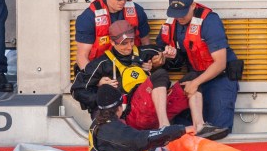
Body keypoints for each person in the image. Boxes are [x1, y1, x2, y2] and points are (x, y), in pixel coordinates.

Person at [71, 20, 201, 130]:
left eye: (131, 41)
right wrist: (103, 95)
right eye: (124, 43)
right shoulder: (102, 63)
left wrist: (172, 56)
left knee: (194, 79)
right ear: (112, 42)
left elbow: (178, 64)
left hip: (158, 108)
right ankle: (164, 128)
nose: (129, 47)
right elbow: (77, 90)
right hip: (131, 114)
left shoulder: (145, 52)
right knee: (160, 74)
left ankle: (199, 127)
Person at [155, 0, 242, 140]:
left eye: (183, 13)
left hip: (219, 78)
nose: (179, 17)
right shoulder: (172, 22)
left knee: (217, 130)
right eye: (176, 13)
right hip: (195, 76)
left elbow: (220, 63)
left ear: (193, 6)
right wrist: (166, 56)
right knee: (184, 126)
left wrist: (195, 83)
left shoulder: (209, 21)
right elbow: (160, 49)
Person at [73, 0, 151, 70]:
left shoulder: (137, 11)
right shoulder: (88, 18)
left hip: (131, 66)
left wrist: (147, 62)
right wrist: (96, 77)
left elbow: (146, 45)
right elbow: (81, 57)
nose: (122, 1)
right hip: (101, 69)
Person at [88, 84, 188, 151]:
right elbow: (141, 139)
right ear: (119, 108)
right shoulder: (113, 130)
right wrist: (181, 129)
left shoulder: (97, 122)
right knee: (158, 149)